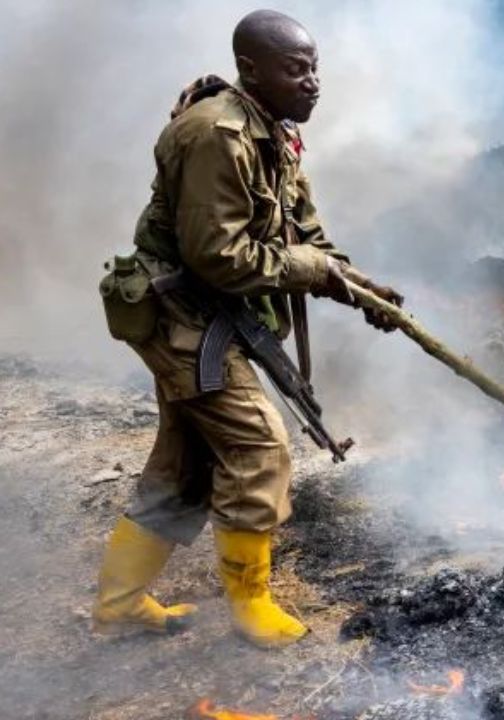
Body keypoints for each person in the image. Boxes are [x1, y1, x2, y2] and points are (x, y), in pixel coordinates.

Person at [91, 10, 403, 649]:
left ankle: (119, 606)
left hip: (217, 315)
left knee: (186, 464)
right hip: (181, 314)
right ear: (252, 70)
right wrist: (317, 272)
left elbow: (303, 236)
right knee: (260, 447)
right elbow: (219, 256)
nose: (313, 81)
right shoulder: (216, 135)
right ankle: (251, 606)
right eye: (297, 69)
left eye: (315, 67)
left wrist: (360, 286)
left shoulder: (274, 132)